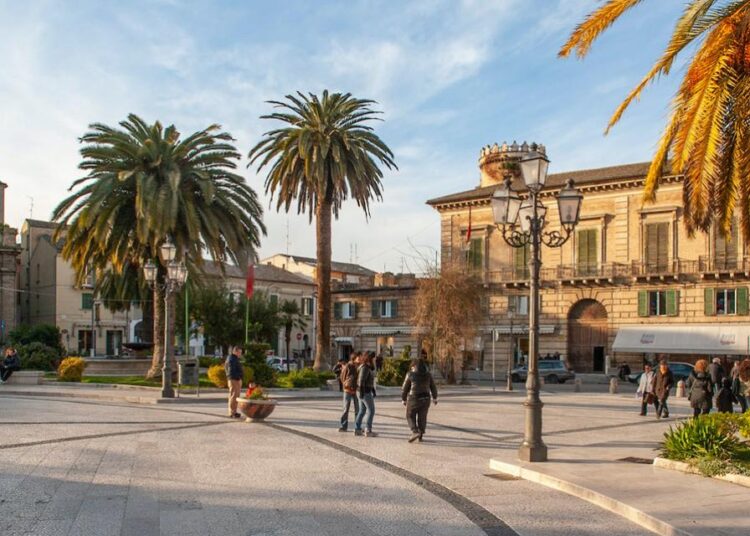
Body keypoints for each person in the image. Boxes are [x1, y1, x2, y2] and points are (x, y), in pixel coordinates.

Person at [401, 358, 438, 442]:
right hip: (426, 399)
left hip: (414, 398)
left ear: (414, 366)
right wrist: (435, 398)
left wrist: (403, 399)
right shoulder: (428, 374)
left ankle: (415, 431)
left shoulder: (410, 374)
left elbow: (404, 388)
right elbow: (433, 387)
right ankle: (420, 435)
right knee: (422, 417)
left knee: (410, 415)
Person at [354, 353, 377, 437]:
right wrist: (362, 393)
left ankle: (357, 429)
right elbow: (361, 380)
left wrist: (373, 390)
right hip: (364, 392)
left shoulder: (365, 367)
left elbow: (368, 380)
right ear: (370, 359)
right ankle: (368, 429)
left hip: (364, 391)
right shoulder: (365, 367)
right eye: (374, 358)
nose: (375, 360)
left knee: (362, 410)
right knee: (371, 410)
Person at [338, 352, 359, 432]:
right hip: (348, 390)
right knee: (346, 408)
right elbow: (342, 377)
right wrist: (346, 385)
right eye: (358, 357)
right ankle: (343, 426)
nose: (360, 359)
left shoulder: (359, 366)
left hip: (356, 390)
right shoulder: (348, 366)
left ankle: (358, 426)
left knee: (358, 409)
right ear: (354, 358)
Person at [224, 346, 243, 419]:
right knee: (234, 396)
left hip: (234, 379)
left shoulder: (233, 358)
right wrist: (238, 378)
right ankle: (232, 412)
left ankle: (234, 411)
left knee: (235, 396)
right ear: (235, 351)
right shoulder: (232, 359)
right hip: (234, 380)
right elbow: (231, 371)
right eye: (239, 352)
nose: (240, 354)